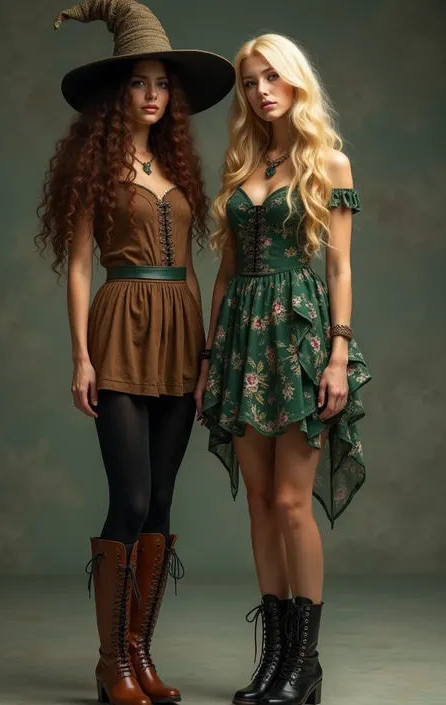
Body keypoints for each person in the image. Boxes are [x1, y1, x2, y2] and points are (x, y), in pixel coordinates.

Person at [36, 2, 234, 704]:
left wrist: (207, 356)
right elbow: (82, 266)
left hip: (180, 330)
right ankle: (109, 664)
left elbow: (188, 266)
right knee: (132, 493)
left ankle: (140, 655)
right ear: (119, 93)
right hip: (119, 326)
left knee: (164, 501)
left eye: (161, 84)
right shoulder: (95, 163)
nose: (152, 95)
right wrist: (80, 356)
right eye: (139, 83)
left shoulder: (178, 164)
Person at [196, 34, 371, 705]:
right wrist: (211, 355)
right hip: (242, 338)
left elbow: (340, 266)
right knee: (262, 505)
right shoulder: (242, 161)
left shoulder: (331, 162)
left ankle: (306, 664)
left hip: (298, 337)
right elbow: (226, 272)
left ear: (296, 81)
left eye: (272, 76)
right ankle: (273, 661)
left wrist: (336, 351)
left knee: (295, 503)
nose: (261, 89)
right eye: (249, 81)